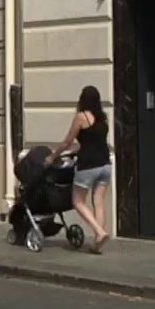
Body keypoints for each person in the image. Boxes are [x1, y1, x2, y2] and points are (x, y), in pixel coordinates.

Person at [47, 85, 112, 253]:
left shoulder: (81, 117)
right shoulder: (103, 118)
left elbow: (67, 141)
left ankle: (99, 231)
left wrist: (52, 157)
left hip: (88, 165)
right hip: (105, 164)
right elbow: (95, 142)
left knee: (78, 201)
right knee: (98, 201)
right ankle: (98, 244)